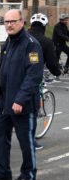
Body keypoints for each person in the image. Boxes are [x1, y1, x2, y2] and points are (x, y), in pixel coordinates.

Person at [0, 9, 44, 180]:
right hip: (4, 102)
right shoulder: (7, 44)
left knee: (26, 141)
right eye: (6, 21)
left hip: (23, 104)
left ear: (22, 22)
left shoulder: (31, 45)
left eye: (13, 21)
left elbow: (34, 75)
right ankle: (2, 171)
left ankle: (28, 173)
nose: (9, 24)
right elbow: (4, 73)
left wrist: (20, 99)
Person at [28, 13, 63, 150]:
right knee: (33, 107)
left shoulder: (21, 36)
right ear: (44, 26)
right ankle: (31, 140)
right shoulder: (46, 42)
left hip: (10, 74)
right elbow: (52, 64)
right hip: (31, 77)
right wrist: (59, 72)